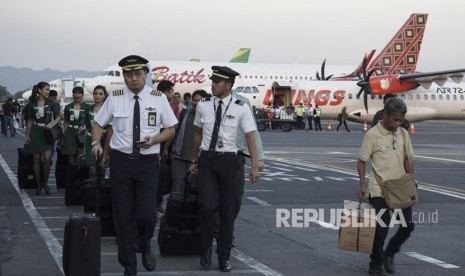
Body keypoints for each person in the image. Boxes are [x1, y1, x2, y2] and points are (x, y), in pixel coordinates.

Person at [91, 55, 177, 276]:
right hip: (121, 163)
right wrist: (96, 144)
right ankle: (129, 266)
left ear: (145, 75)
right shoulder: (115, 98)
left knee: (147, 214)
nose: (133, 79)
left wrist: (155, 140)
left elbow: (171, 129)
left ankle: (145, 243)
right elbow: (99, 124)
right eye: (129, 75)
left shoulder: (158, 98)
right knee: (123, 215)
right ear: (124, 77)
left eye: (137, 74)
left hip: (148, 162)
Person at [189, 66, 260, 272]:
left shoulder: (241, 106)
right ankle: (205, 250)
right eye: (212, 81)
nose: (212, 84)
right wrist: (193, 161)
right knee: (207, 206)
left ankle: (223, 256)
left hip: (230, 161)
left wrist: (255, 165)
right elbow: (197, 134)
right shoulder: (202, 105)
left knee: (227, 211)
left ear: (228, 85)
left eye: (217, 82)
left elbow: (250, 137)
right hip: (207, 161)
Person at [357, 97, 415, 276]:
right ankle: (375, 265)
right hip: (379, 189)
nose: (397, 123)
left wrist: (411, 181)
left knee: (408, 225)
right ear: (385, 114)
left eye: (400, 120)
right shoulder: (372, 135)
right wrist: (362, 185)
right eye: (394, 119)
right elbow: (361, 161)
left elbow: (407, 159)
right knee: (381, 230)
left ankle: (389, 252)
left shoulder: (403, 134)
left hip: (400, 189)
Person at [24, 82, 61, 195]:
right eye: (46, 89)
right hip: (35, 132)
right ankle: (38, 185)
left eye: (48, 90)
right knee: (36, 159)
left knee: (47, 159)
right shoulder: (31, 104)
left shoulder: (51, 103)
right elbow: (30, 121)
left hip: (47, 133)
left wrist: (52, 124)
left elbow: (58, 117)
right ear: (39, 90)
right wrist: (27, 135)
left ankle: (45, 183)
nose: (48, 92)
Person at [84, 85, 108, 179]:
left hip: (104, 140)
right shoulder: (88, 109)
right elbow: (87, 126)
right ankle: (91, 191)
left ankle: (101, 191)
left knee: (102, 169)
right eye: (95, 93)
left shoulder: (107, 109)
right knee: (92, 170)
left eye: (100, 94)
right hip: (90, 140)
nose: (98, 96)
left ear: (104, 96)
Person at [61, 87, 88, 161]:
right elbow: (66, 122)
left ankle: (78, 172)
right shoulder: (67, 107)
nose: (77, 95)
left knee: (81, 157)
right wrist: (64, 135)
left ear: (82, 95)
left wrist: (84, 128)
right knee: (71, 158)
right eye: (75, 93)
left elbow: (88, 122)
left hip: (82, 133)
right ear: (72, 95)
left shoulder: (87, 107)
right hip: (70, 133)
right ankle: (71, 172)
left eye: (79, 93)